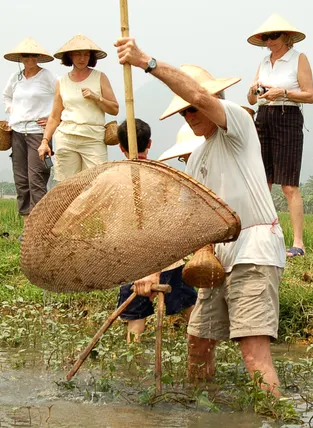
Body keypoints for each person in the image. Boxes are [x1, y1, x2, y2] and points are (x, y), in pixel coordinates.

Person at [115, 38, 287, 397]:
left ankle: (274, 413)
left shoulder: (237, 126)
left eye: (192, 109)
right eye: (183, 113)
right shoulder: (196, 160)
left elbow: (200, 96)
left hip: (253, 252)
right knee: (197, 344)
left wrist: (147, 62)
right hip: (217, 263)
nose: (189, 115)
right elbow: (186, 228)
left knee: (254, 355)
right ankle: (203, 411)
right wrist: (152, 270)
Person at [115, 119, 198, 343]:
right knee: (192, 312)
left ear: (121, 147)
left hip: (133, 262)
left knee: (135, 321)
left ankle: (132, 359)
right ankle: (205, 349)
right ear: (149, 143)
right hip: (168, 257)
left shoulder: (113, 180)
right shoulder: (164, 176)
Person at [246, 14, 313, 257]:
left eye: (274, 36)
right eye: (266, 36)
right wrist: (254, 91)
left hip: (288, 117)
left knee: (288, 185)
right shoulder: (264, 62)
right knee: (263, 182)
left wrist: (283, 92)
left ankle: (298, 243)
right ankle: (264, 237)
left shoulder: (298, 59)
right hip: (263, 118)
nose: (269, 40)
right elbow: (252, 99)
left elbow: (309, 95)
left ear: (286, 37)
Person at [38, 34, 119, 182]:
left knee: (97, 182)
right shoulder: (61, 81)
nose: (82, 58)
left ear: (91, 57)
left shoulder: (100, 77)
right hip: (66, 137)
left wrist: (97, 97)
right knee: (68, 185)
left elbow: (114, 109)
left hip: (93, 138)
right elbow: (55, 116)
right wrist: (45, 141)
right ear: (70, 56)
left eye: (86, 54)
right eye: (78, 54)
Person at [2, 37, 57, 217]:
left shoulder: (47, 76)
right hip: (17, 132)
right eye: (26, 56)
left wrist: (53, 117)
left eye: (33, 56)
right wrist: (12, 111)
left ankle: (40, 223)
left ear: (38, 57)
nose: (30, 60)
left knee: (37, 178)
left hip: (38, 133)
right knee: (21, 179)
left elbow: (63, 97)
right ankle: (27, 223)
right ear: (21, 58)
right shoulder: (16, 78)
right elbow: (7, 96)